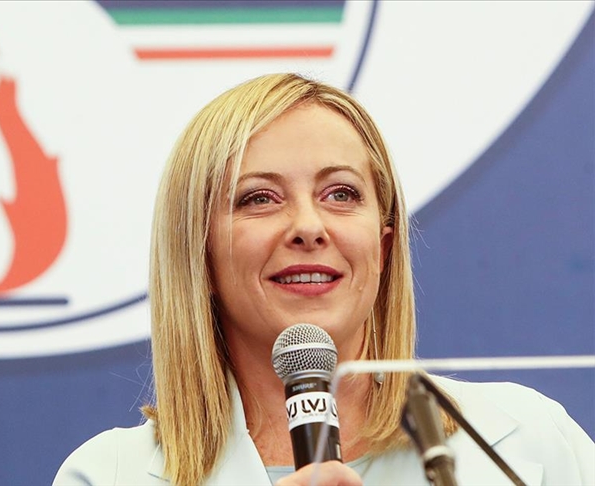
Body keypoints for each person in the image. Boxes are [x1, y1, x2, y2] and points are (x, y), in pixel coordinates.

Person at [53, 74, 594, 485]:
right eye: (259, 198)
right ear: (200, 258)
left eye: (341, 193)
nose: (309, 227)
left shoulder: (530, 441)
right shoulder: (107, 475)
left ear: (383, 249)